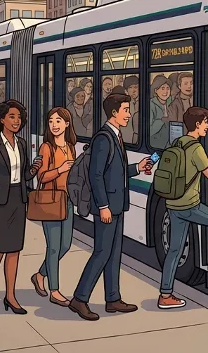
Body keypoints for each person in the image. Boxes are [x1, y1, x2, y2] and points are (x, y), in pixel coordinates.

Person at [69, 93, 153, 321]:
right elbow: (95, 175)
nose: (129, 114)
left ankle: (113, 298)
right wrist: (103, 206)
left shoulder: (116, 136)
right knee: (102, 252)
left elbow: (116, 171)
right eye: (126, 109)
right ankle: (79, 298)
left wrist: (138, 167)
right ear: (114, 112)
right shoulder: (103, 139)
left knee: (114, 253)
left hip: (117, 205)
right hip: (107, 206)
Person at [158, 107, 208, 309]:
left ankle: (165, 294)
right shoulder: (196, 149)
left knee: (174, 250)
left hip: (173, 203)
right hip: (189, 205)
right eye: (205, 123)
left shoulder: (178, 142)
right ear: (197, 125)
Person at [0, 100, 36, 315]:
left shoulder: (21, 144)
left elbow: (24, 175)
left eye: (19, 117)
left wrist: (34, 169)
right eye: (12, 116)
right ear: (1, 119)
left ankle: (10, 296)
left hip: (17, 201)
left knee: (14, 251)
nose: (17, 121)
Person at [31, 107, 77, 306]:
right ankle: (55, 290)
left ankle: (40, 274)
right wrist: (60, 169)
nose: (54, 125)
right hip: (51, 200)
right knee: (53, 247)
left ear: (67, 124)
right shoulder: (46, 148)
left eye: (58, 121)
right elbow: (41, 176)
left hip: (67, 200)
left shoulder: (71, 146)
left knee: (65, 245)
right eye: (51, 121)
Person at [149, 75, 173, 148]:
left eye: (167, 88)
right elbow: (149, 130)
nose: (165, 92)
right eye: (162, 88)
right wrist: (162, 120)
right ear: (156, 90)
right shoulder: (151, 105)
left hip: (170, 143)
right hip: (155, 144)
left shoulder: (172, 102)